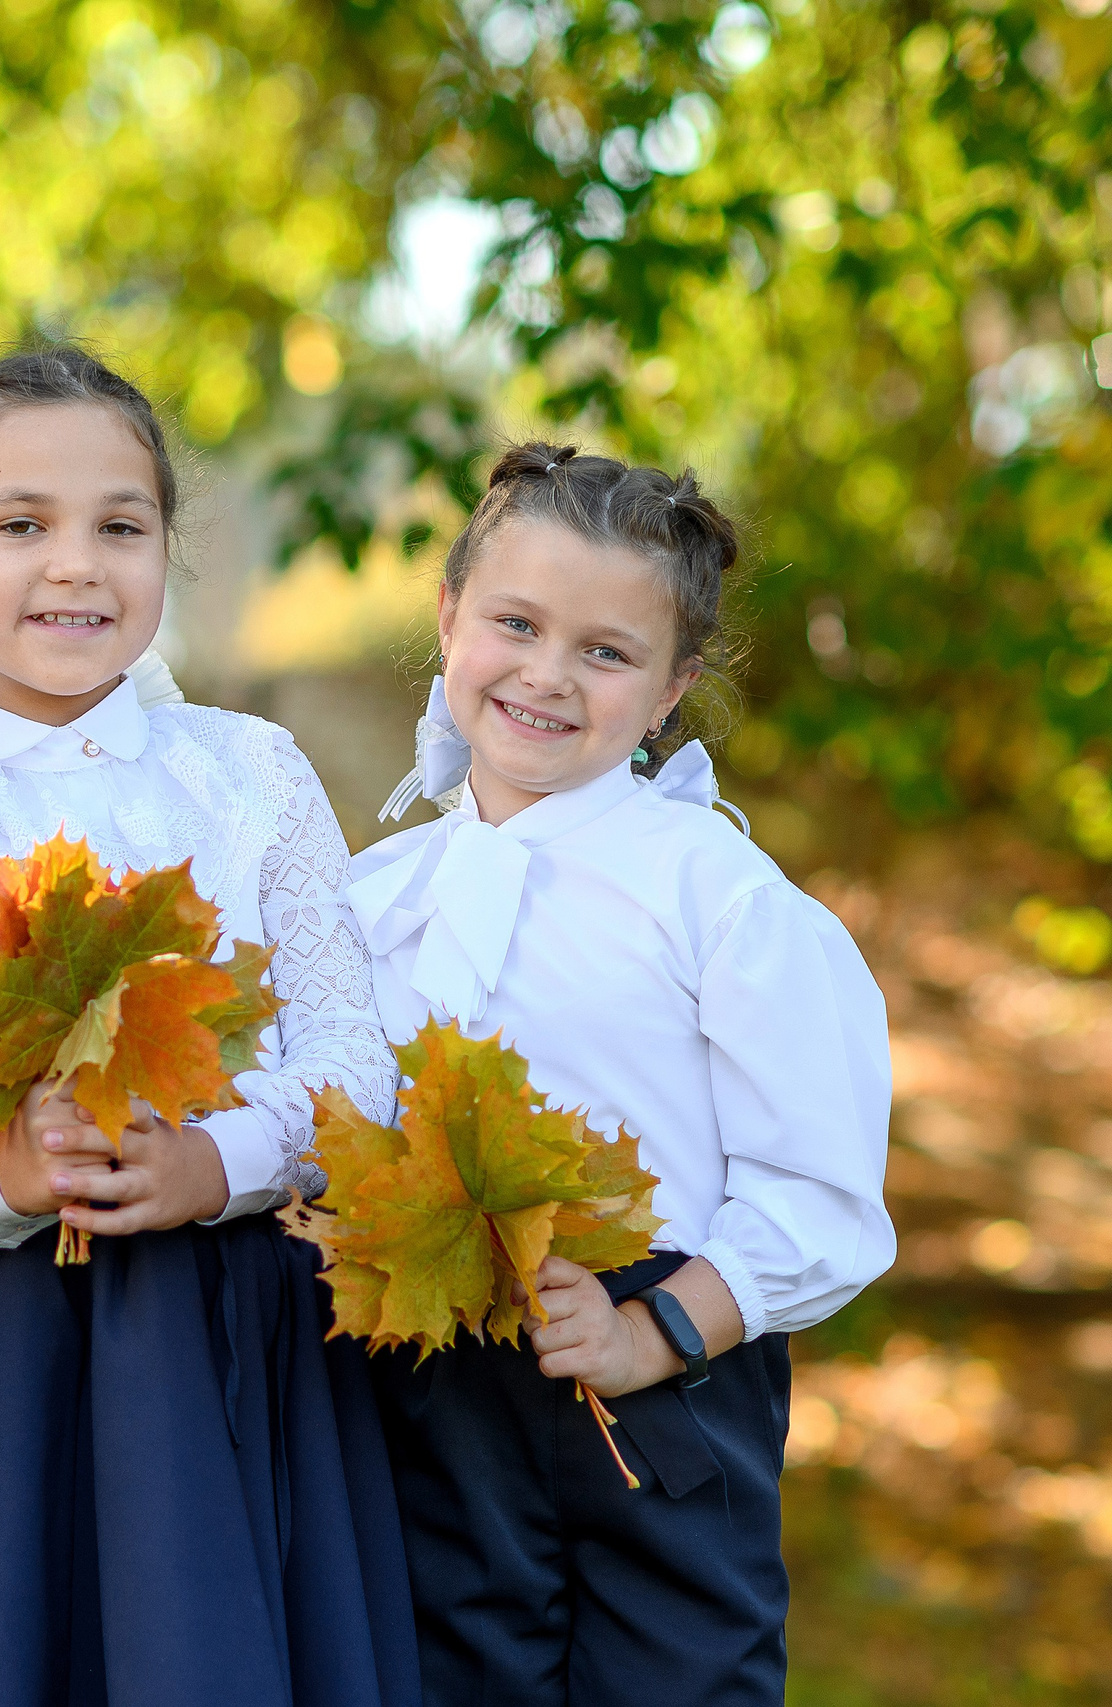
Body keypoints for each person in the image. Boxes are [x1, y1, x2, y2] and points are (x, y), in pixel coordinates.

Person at [0, 346, 417, 1707]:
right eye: (21, 524)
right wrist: (9, 1171)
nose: (76, 565)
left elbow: (356, 1060)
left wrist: (212, 1160)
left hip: (229, 1344)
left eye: (122, 525)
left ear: (166, 545)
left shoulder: (248, 775)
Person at [347, 442, 894, 1706]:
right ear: (449, 619)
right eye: (515, 624)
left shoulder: (716, 895)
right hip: (428, 1375)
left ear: (671, 689)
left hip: (658, 1382)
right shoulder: (373, 899)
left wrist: (655, 1329)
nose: (546, 674)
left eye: (604, 652)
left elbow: (823, 1204)